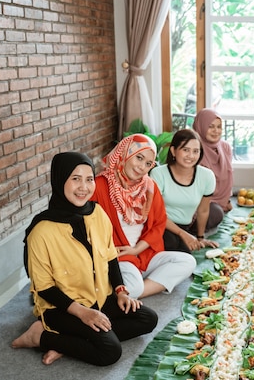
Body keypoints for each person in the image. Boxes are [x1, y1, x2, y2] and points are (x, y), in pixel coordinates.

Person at [12, 152, 157, 366]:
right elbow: (43, 287)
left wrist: (121, 292)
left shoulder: (97, 213)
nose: (84, 187)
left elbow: (110, 258)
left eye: (89, 179)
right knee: (110, 351)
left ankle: (68, 342)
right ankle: (40, 336)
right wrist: (83, 314)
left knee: (148, 318)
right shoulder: (41, 231)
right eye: (75, 179)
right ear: (60, 180)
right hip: (62, 307)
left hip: (98, 297)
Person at [91, 134, 197, 299]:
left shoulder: (149, 186)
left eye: (148, 163)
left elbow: (159, 223)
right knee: (132, 284)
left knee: (188, 261)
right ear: (125, 153)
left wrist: (136, 249)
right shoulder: (100, 186)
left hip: (144, 253)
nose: (142, 167)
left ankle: (131, 293)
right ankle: (130, 289)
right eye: (138, 158)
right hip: (118, 257)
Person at [152, 129, 220, 253]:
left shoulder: (207, 176)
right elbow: (156, 214)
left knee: (217, 212)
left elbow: (203, 210)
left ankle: (189, 234)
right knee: (174, 244)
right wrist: (182, 234)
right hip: (162, 224)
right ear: (173, 151)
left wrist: (200, 238)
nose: (191, 156)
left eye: (195, 151)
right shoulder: (158, 174)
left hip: (186, 223)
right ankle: (183, 237)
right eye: (185, 150)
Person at [192, 108, 234, 223]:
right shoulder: (193, 149)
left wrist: (227, 200)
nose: (216, 131)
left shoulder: (225, 147)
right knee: (216, 214)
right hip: (198, 201)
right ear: (201, 126)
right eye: (210, 126)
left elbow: (227, 178)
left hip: (219, 201)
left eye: (219, 127)